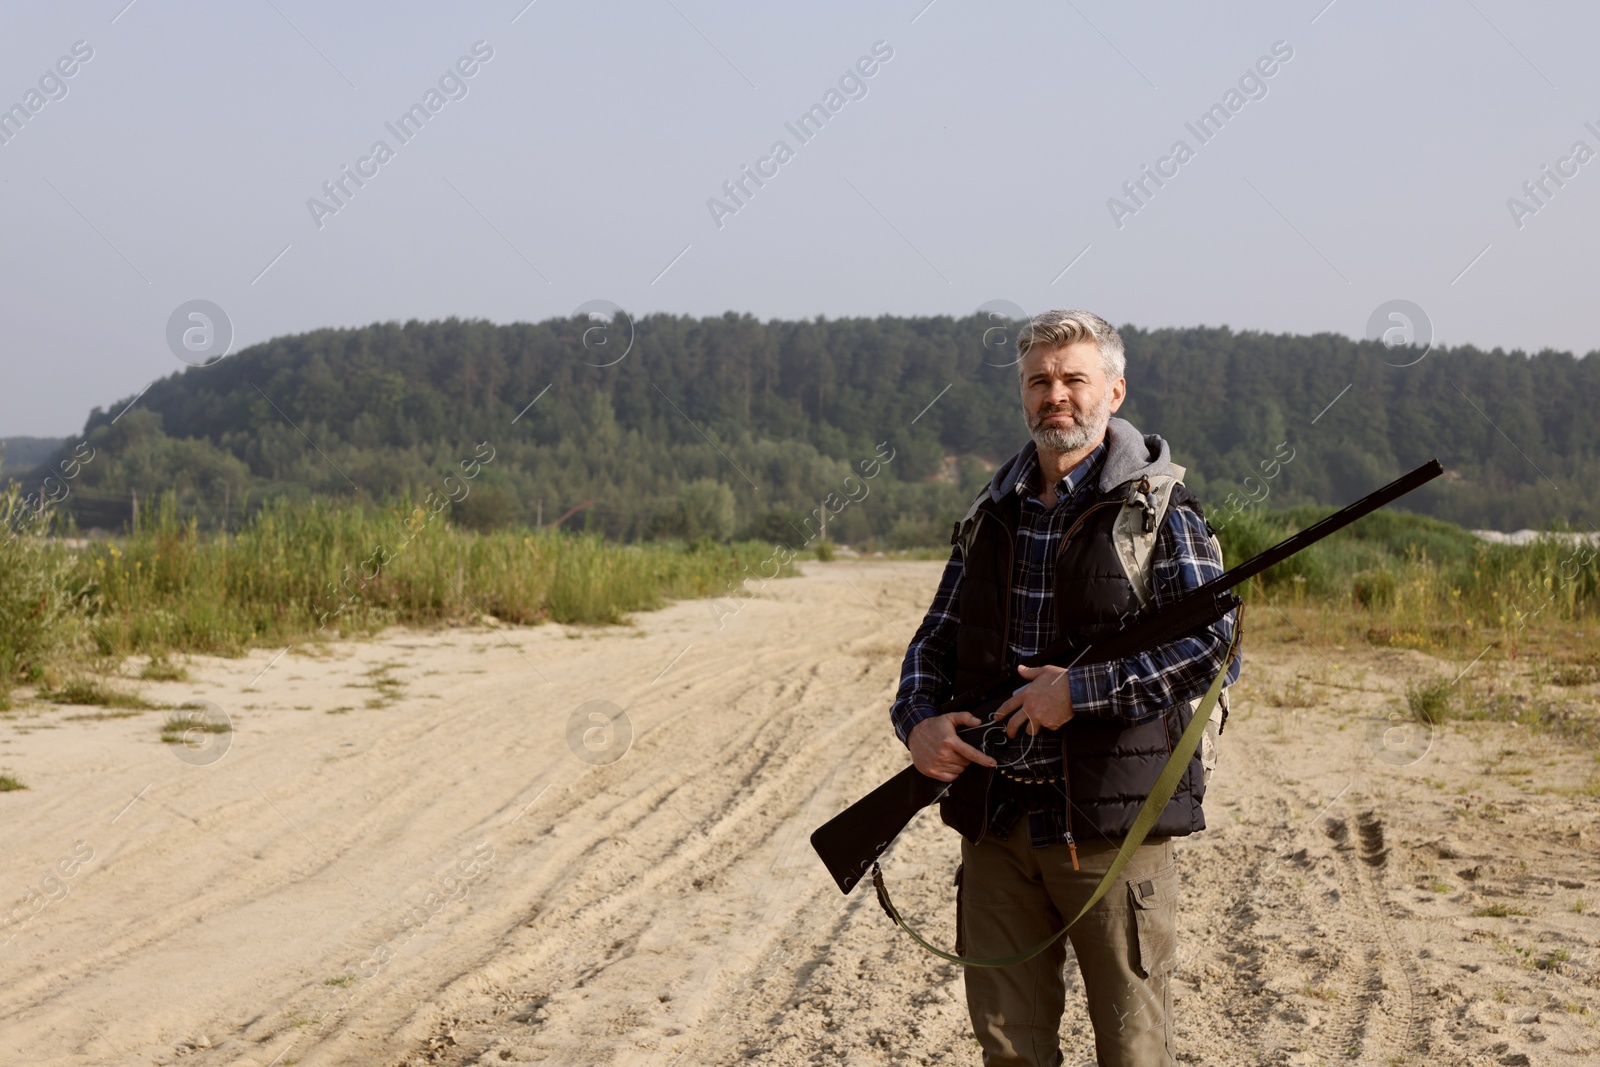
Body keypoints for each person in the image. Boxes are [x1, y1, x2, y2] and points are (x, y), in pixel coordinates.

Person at [890, 309, 1241, 1066]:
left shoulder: (1158, 510)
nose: (1057, 395)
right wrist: (917, 721)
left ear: (1113, 391)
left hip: (1112, 832)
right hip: (1000, 828)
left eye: (1074, 378)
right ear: (1023, 395)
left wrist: (1081, 692)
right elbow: (934, 640)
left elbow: (1213, 644)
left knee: (1133, 1048)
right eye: (1040, 381)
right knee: (1010, 1050)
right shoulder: (990, 515)